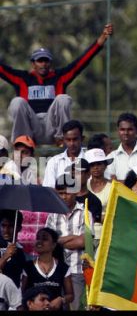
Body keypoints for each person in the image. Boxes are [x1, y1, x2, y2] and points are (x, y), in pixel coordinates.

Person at [1, 24, 112, 143]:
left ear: (50, 63)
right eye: (40, 61)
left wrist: (101, 40)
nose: (43, 64)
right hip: (31, 128)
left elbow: (81, 62)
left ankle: (63, 138)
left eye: (46, 61)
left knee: (63, 98)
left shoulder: (60, 77)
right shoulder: (23, 78)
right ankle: (21, 141)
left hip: (52, 127)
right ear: (33, 64)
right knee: (17, 102)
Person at [46, 178, 85, 308]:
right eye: (60, 193)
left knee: (76, 306)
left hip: (76, 269)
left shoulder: (84, 212)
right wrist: (73, 237)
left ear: (76, 192)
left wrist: (58, 240)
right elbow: (47, 242)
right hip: (56, 270)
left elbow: (82, 241)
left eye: (67, 193)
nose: (63, 197)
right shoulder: (52, 214)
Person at [21, 228, 71, 310]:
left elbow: (70, 295)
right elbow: (22, 293)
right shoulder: (28, 267)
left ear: (53, 245)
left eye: (44, 239)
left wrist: (62, 299)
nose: (39, 241)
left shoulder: (63, 267)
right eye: (37, 238)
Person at [107, 112, 137, 181]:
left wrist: (118, 182)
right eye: (122, 129)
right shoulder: (111, 157)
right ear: (118, 131)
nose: (126, 133)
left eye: (130, 129)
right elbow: (109, 182)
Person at [41, 120, 84, 188]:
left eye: (75, 139)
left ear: (82, 139)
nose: (72, 143)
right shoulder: (53, 162)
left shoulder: (89, 159)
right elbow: (49, 189)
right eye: (68, 140)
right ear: (63, 140)